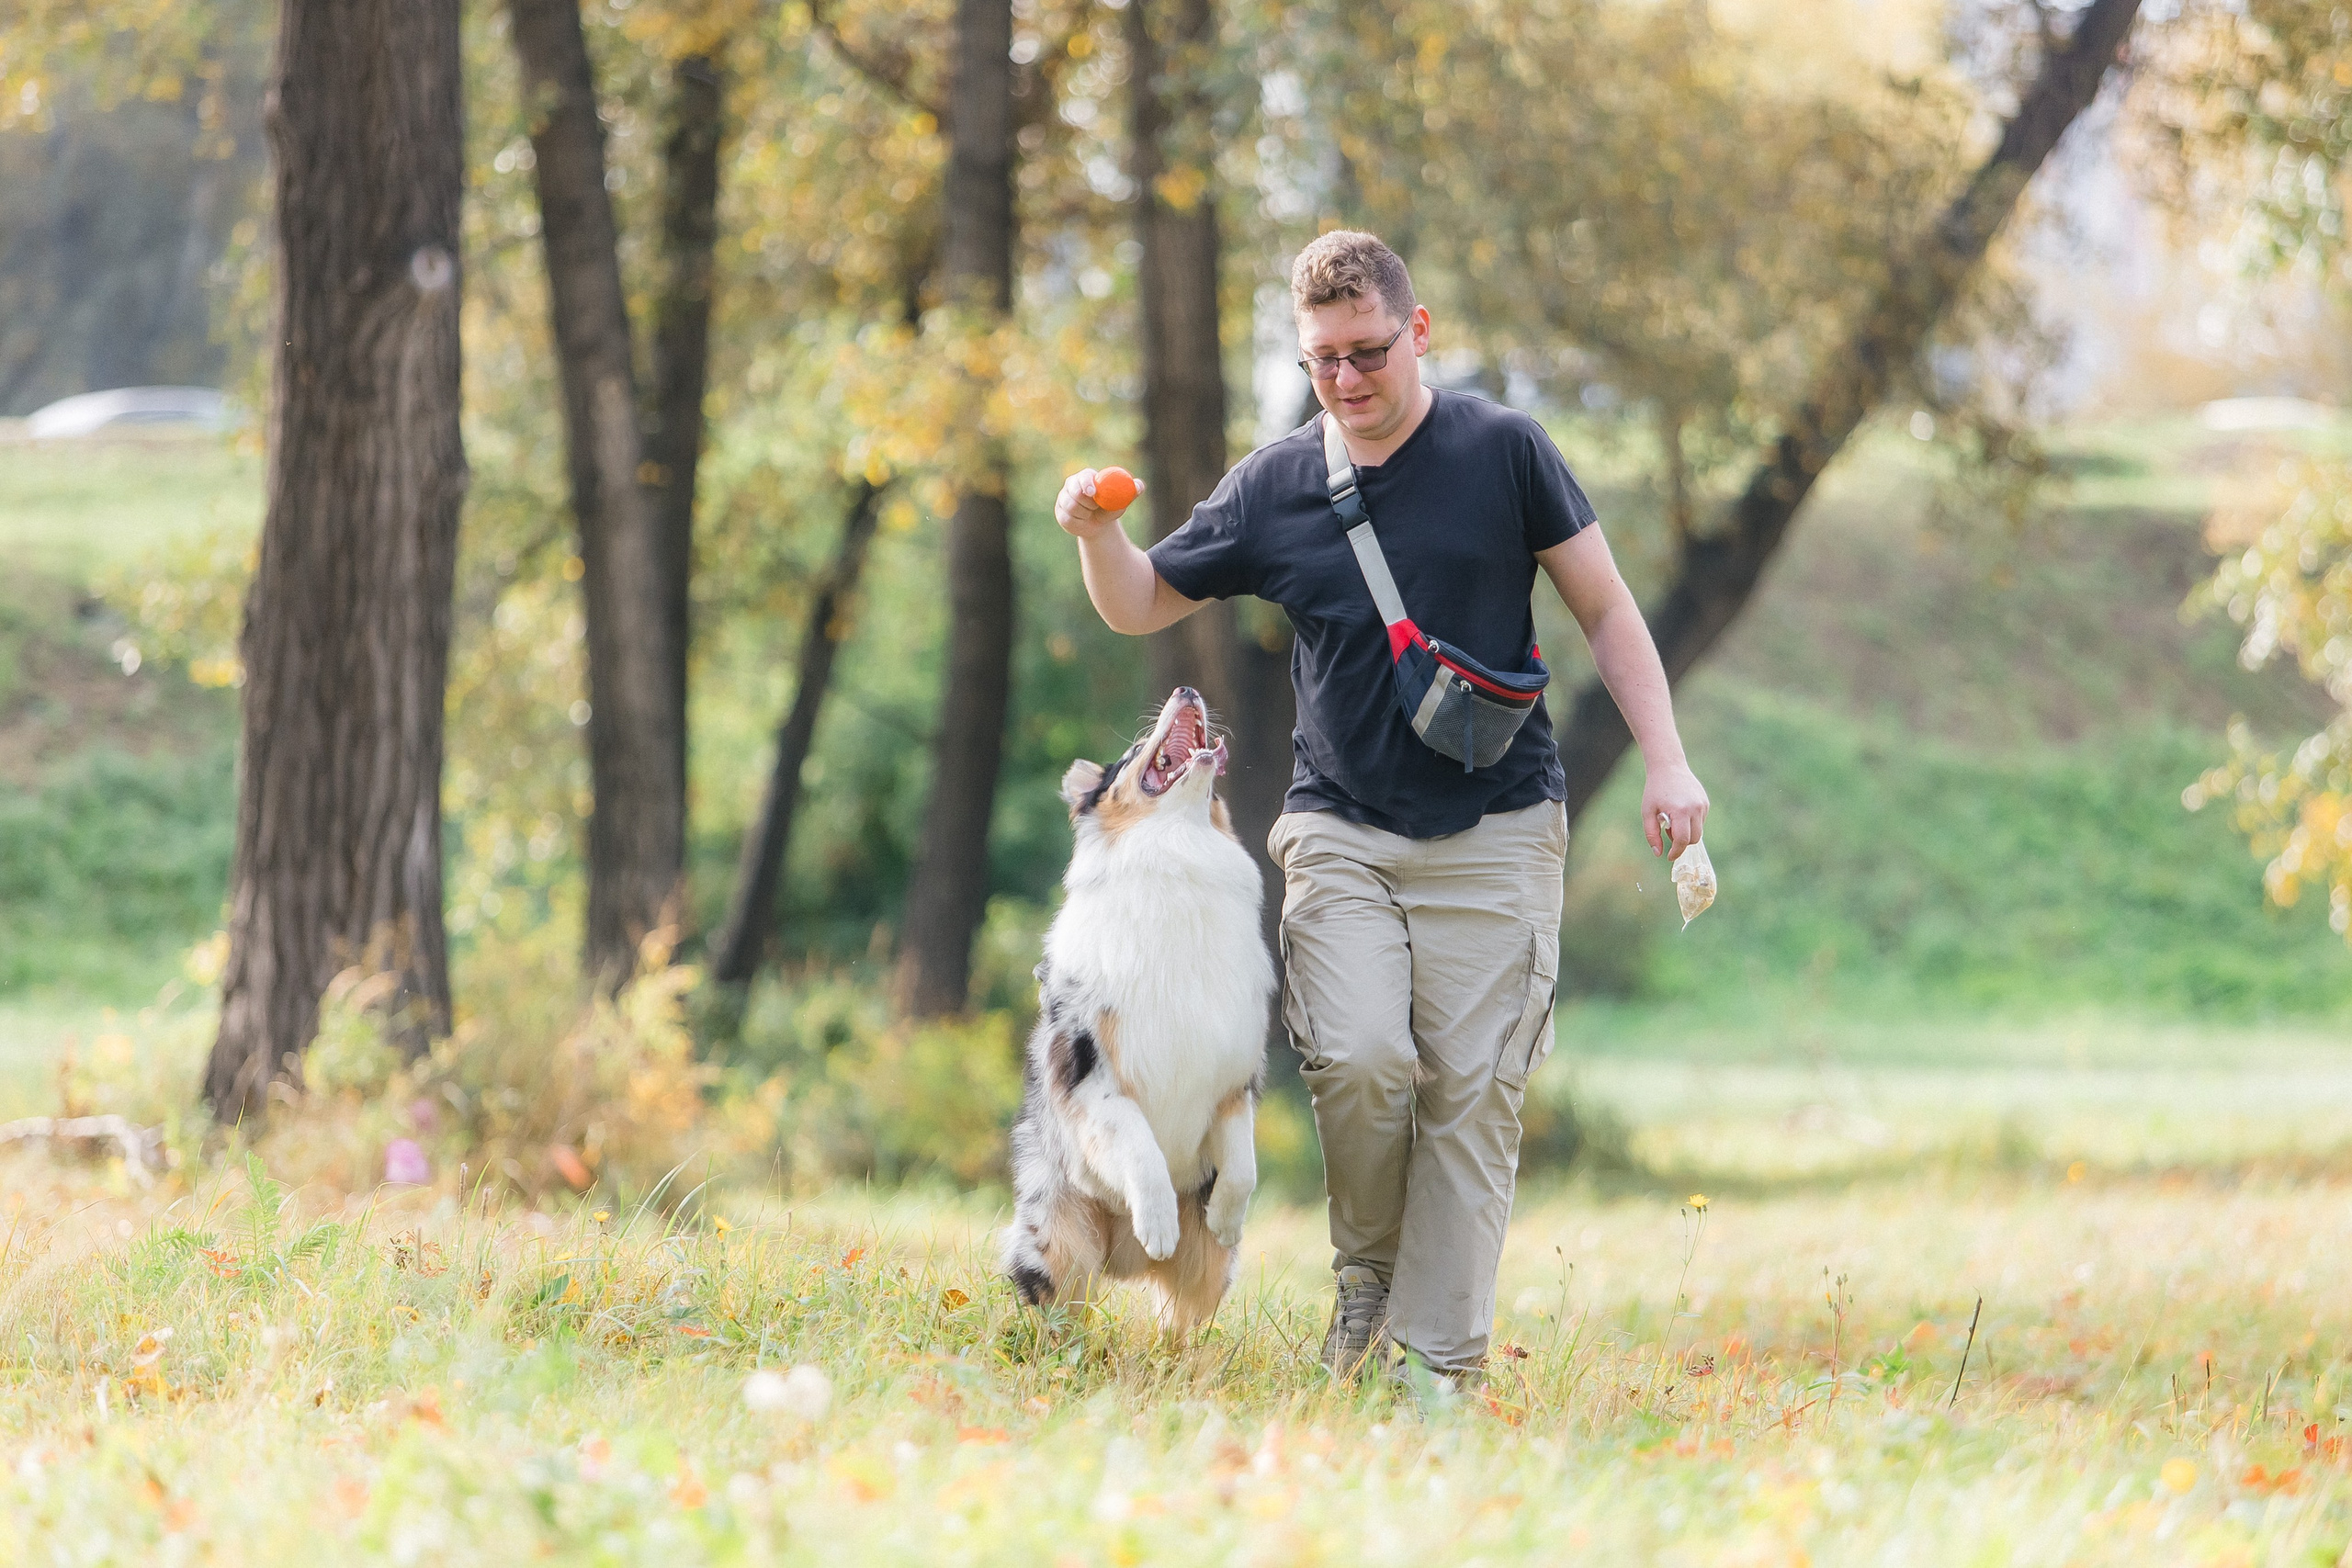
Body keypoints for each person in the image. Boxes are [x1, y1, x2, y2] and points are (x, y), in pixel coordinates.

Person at [1054, 230, 1710, 1385]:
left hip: (1500, 832)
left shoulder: (1504, 450)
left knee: (1471, 1101)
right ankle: (1366, 1276)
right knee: (1356, 1063)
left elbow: (1606, 610)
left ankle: (1432, 1375)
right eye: (1322, 361)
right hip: (1340, 831)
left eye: (1367, 351)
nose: (1347, 380)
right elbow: (1142, 602)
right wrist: (1098, 534)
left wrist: (1667, 762)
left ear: (1418, 333)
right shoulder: (1277, 485)